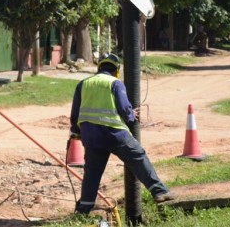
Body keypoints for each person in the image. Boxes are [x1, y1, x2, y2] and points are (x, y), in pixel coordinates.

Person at [69, 53, 174, 214]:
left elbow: (75, 113)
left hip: (91, 136)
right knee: (138, 157)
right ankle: (159, 192)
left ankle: (84, 208)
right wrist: (132, 115)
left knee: (92, 172)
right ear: (117, 70)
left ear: (99, 67)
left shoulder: (83, 84)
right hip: (114, 134)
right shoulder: (115, 83)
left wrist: (76, 132)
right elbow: (125, 108)